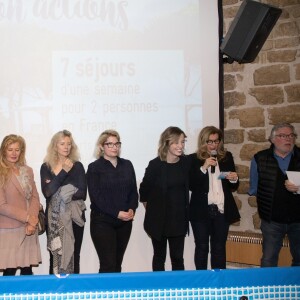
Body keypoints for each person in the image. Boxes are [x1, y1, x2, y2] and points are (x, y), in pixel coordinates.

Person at [87, 129, 138, 273]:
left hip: (124, 222)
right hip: (102, 222)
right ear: (102, 146)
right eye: (110, 144)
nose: (114, 147)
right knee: (108, 264)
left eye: (117, 144)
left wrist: (131, 209)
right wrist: (116, 213)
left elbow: (133, 192)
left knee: (117, 264)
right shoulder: (94, 168)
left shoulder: (127, 165)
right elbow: (96, 198)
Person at [249, 122, 300, 267]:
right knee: (268, 259)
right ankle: (266, 289)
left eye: (291, 135)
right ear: (272, 139)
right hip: (272, 221)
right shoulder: (260, 158)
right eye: (283, 136)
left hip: (298, 220)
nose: (288, 139)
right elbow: (254, 188)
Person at [189, 126, 240, 270]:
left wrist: (233, 179)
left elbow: (232, 186)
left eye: (216, 141)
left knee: (219, 247)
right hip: (201, 210)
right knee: (202, 246)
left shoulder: (226, 156)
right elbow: (192, 185)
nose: (213, 145)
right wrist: (204, 167)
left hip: (221, 209)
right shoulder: (193, 159)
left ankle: (219, 281)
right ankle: (202, 281)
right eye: (209, 142)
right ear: (203, 142)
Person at [139, 126, 190, 271]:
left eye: (182, 142)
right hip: (158, 221)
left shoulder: (186, 163)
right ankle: (158, 290)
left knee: (178, 259)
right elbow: (144, 191)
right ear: (166, 143)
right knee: (159, 257)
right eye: (176, 142)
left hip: (179, 220)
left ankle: (179, 291)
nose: (180, 146)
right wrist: (152, 210)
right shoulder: (155, 165)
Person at [40, 130, 87, 274]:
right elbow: (47, 192)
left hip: (74, 218)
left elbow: (82, 193)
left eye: (69, 144)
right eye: (62, 144)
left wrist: (59, 193)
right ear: (55, 146)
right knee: (55, 255)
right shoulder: (46, 167)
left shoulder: (78, 166)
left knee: (74, 255)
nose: (66, 147)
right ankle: (54, 293)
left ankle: (73, 292)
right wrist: (63, 172)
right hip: (54, 220)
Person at [0, 134, 41, 275]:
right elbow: (1, 205)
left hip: (29, 229)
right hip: (9, 229)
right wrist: (27, 217)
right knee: (9, 273)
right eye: (10, 149)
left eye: (17, 149)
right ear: (3, 150)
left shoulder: (28, 170)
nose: (14, 153)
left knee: (27, 271)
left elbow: (35, 197)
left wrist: (32, 221)